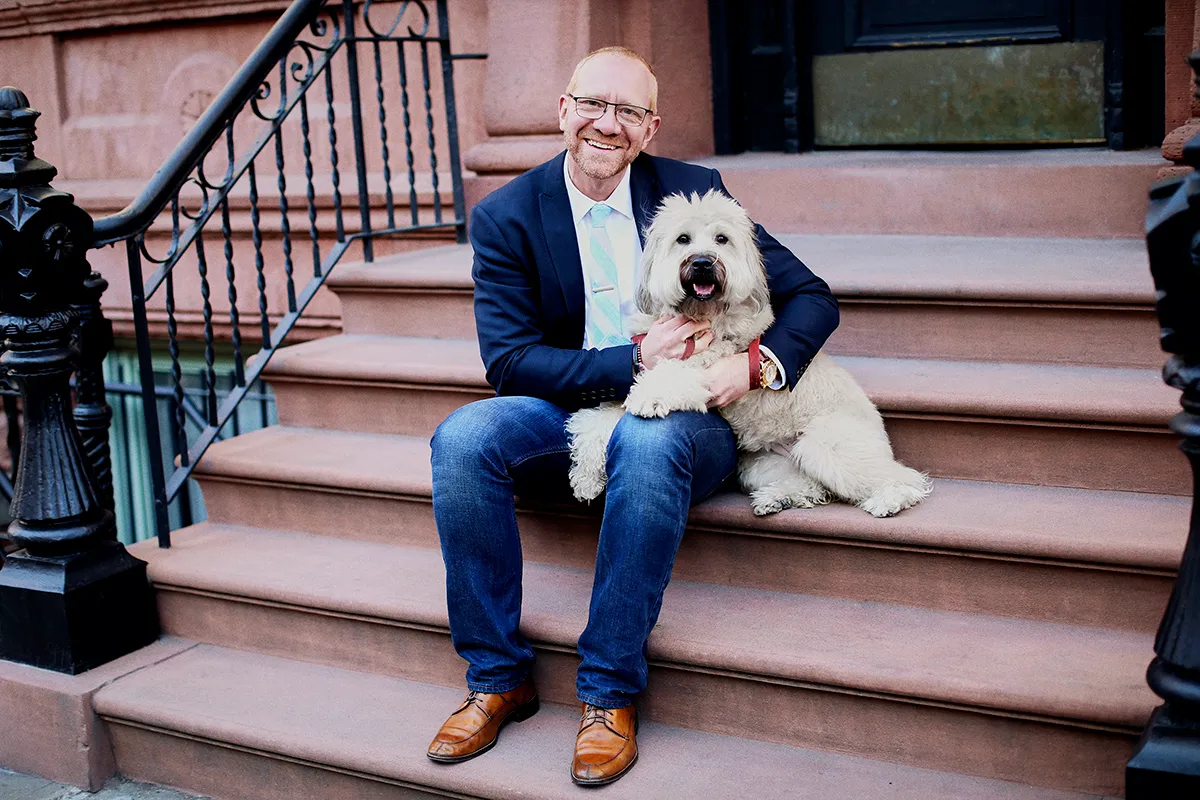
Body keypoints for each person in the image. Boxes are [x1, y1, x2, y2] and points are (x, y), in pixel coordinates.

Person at [426, 46, 839, 786]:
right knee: (462, 440)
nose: (607, 124)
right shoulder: (506, 216)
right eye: (593, 104)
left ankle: (608, 691)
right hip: (569, 411)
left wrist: (752, 367)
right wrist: (634, 358)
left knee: (645, 443)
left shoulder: (691, 194)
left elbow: (811, 296)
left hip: (691, 414)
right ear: (563, 110)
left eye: (628, 112)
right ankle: (496, 677)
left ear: (651, 128)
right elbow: (510, 362)